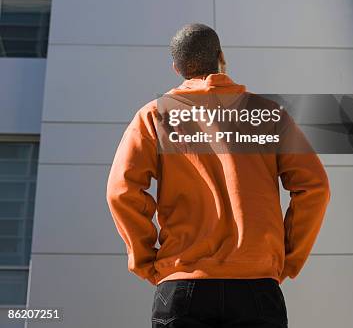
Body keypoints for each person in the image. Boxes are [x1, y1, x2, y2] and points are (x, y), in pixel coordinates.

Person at [106, 23, 331, 327]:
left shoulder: (154, 116)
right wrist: (288, 258)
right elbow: (315, 188)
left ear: (176, 68)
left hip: (182, 284)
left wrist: (147, 260)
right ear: (221, 57)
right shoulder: (268, 114)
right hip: (257, 283)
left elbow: (121, 192)